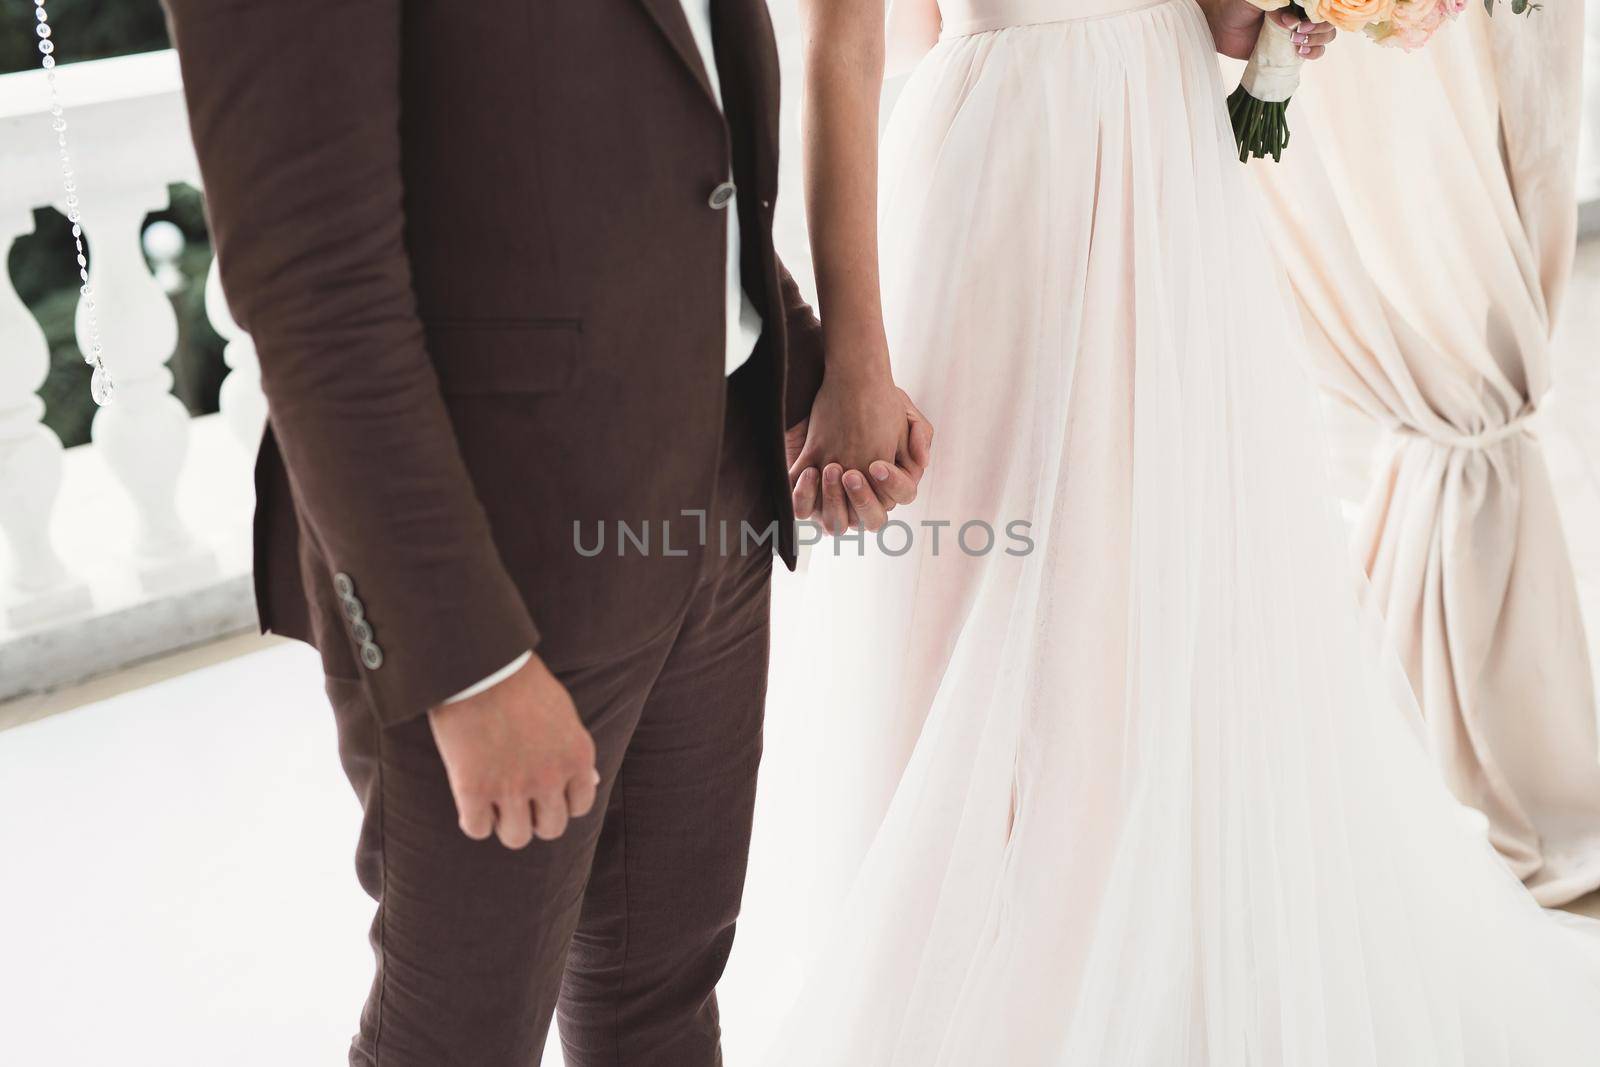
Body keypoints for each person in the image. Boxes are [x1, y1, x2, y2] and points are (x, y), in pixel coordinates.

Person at [767, 0, 1600, 1061]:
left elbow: (1201, 21)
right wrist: (853, 355)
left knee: (1175, 597)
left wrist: (1263, 15)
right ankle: (1009, 991)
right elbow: (848, 42)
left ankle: (1162, 966)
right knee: (1005, 616)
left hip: (1169, 177)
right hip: (1012, 176)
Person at [159, 1, 926, 1064]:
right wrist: (465, 660)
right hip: (495, 538)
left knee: (661, 993)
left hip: (716, 481)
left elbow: (672, 119)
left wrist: (800, 353)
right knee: (459, 1034)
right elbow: (311, 289)